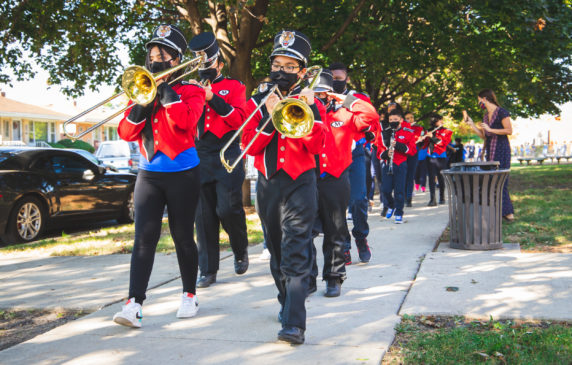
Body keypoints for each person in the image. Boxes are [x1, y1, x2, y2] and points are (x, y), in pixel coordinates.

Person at [113, 24, 205, 328]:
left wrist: (166, 91)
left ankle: (189, 294)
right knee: (143, 239)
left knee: (182, 236)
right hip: (149, 174)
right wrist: (142, 104)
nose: (154, 60)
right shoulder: (140, 92)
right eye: (151, 55)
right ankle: (133, 304)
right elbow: (126, 131)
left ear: (175, 59)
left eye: (161, 55)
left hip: (184, 172)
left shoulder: (190, 90)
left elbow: (187, 122)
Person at [242, 30, 326, 345]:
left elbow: (318, 144)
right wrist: (268, 111)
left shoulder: (310, 102)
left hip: (301, 182)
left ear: (301, 72)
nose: (281, 71)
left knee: (296, 250)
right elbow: (250, 145)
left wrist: (306, 109)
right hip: (268, 183)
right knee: (276, 251)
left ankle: (294, 323)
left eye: (289, 66)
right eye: (277, 64)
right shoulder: (257, 100)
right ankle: (286, 300)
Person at [187, 32, 249, 288]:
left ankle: (240, 249)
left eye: (208, 62)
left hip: (226, 153)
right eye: (199, 62)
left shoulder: (235, 87)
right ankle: (208, 269)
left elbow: (239, 120)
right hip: (199, 154)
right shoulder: (190, 88)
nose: (204, 67)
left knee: (228, 209)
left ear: (220, 64)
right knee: (203, 217)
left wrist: (213, 99)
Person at [310, 69, 379, 297]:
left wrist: (345, 99)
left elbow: (371, 117)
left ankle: (334, 276)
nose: (321, 97)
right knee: (305, 231)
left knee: (335, 228)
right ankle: (307, 277)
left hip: (337, 175)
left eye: (324, 93)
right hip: (308, 176)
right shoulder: (303, 112)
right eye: (316, 93)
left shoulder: (344, 113)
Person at [329, 62, 375, 265]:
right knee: (337, 206)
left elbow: (370, 117)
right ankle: (344, 246)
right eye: (332, 79)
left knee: (358, 200)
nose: (335, 82)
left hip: (355, 155)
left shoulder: (359, 97)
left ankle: (360, 236)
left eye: (339, 79)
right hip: (332, 158)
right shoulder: (321, 97)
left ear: (347, 78)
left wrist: (342, 99)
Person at [464, 88, 514, 221]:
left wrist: (491, 129)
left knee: (501, 179)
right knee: (492, 180)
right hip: (490, 151)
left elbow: (509, 130)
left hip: (501, 149)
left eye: (479, 100)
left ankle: (508, 213)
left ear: (484, 99)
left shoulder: (502, 112)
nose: (478, 103)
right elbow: (485, 136)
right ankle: (499, 212)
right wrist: (472, 125)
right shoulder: (486, 116)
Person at [376, 109, 416, 223]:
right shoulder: (384, 133)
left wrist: (398, 145)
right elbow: (379, 150)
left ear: (401, 120)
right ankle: (391, 205)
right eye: (390, 119)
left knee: (399, 190)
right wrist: (386, 154)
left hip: (400, 164)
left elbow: (412, 150)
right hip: (388, 163)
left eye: (395, 119)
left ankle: (399, 213)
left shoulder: (408, 131)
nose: (393, 121)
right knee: (385, 190)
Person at [421, 113, 452, 206]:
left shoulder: (447, 131)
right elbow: (425, 144)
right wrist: (422, 138)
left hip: (441, 157)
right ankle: (432, 199)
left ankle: (442, 197)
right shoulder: (429, 131)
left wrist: (432, 137)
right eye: (439, 120)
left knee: (440, 177)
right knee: (431, 178)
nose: (441, 122)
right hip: (430, 157)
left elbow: (442, 143)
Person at [404, 111, 424, 207]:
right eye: (407, 118)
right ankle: (403, 197)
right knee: (403, 175)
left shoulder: (418, 128)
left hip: (412, 153)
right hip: (402, 153)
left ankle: (409, 198)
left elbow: (416, 137)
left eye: (411, 117)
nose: (410, 119)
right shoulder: (401, 127)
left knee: (410, 175)